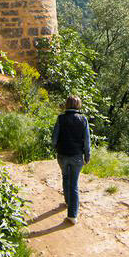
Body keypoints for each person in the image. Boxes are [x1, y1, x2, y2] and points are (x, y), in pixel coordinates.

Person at [51, 95, 91, 224]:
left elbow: (54, 139)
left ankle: (68, 202)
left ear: (67, 105)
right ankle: (73, 215)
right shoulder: (83, 119)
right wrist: (87, 156)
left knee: (65, 177)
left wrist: (57, 147)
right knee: (74, 184)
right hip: (77, 156)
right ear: (78, 105)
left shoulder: (61, 118)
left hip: (62, 155)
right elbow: (87, 141)